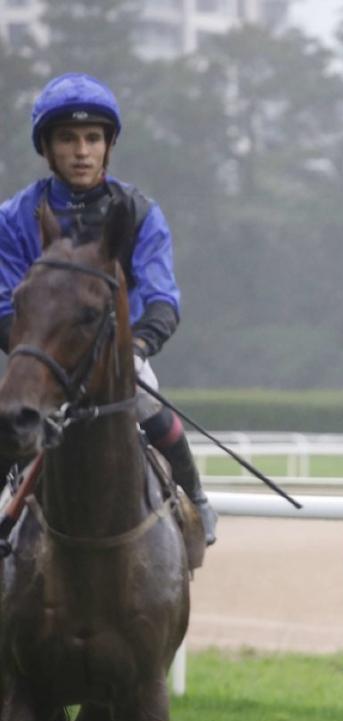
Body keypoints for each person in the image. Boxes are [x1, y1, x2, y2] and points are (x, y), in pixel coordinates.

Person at [0, 72, 218, 545]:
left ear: (107, 145)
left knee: (148, 405)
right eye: (68, 139)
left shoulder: (139, 212)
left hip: (119, 359)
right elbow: (3, 303)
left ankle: (194, 499)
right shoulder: (15, 216)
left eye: (93, 138)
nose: (81, 151)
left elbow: (162, 298)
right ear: (48, 148)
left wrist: (136, 345)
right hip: (43, 362)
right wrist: (33, 353)